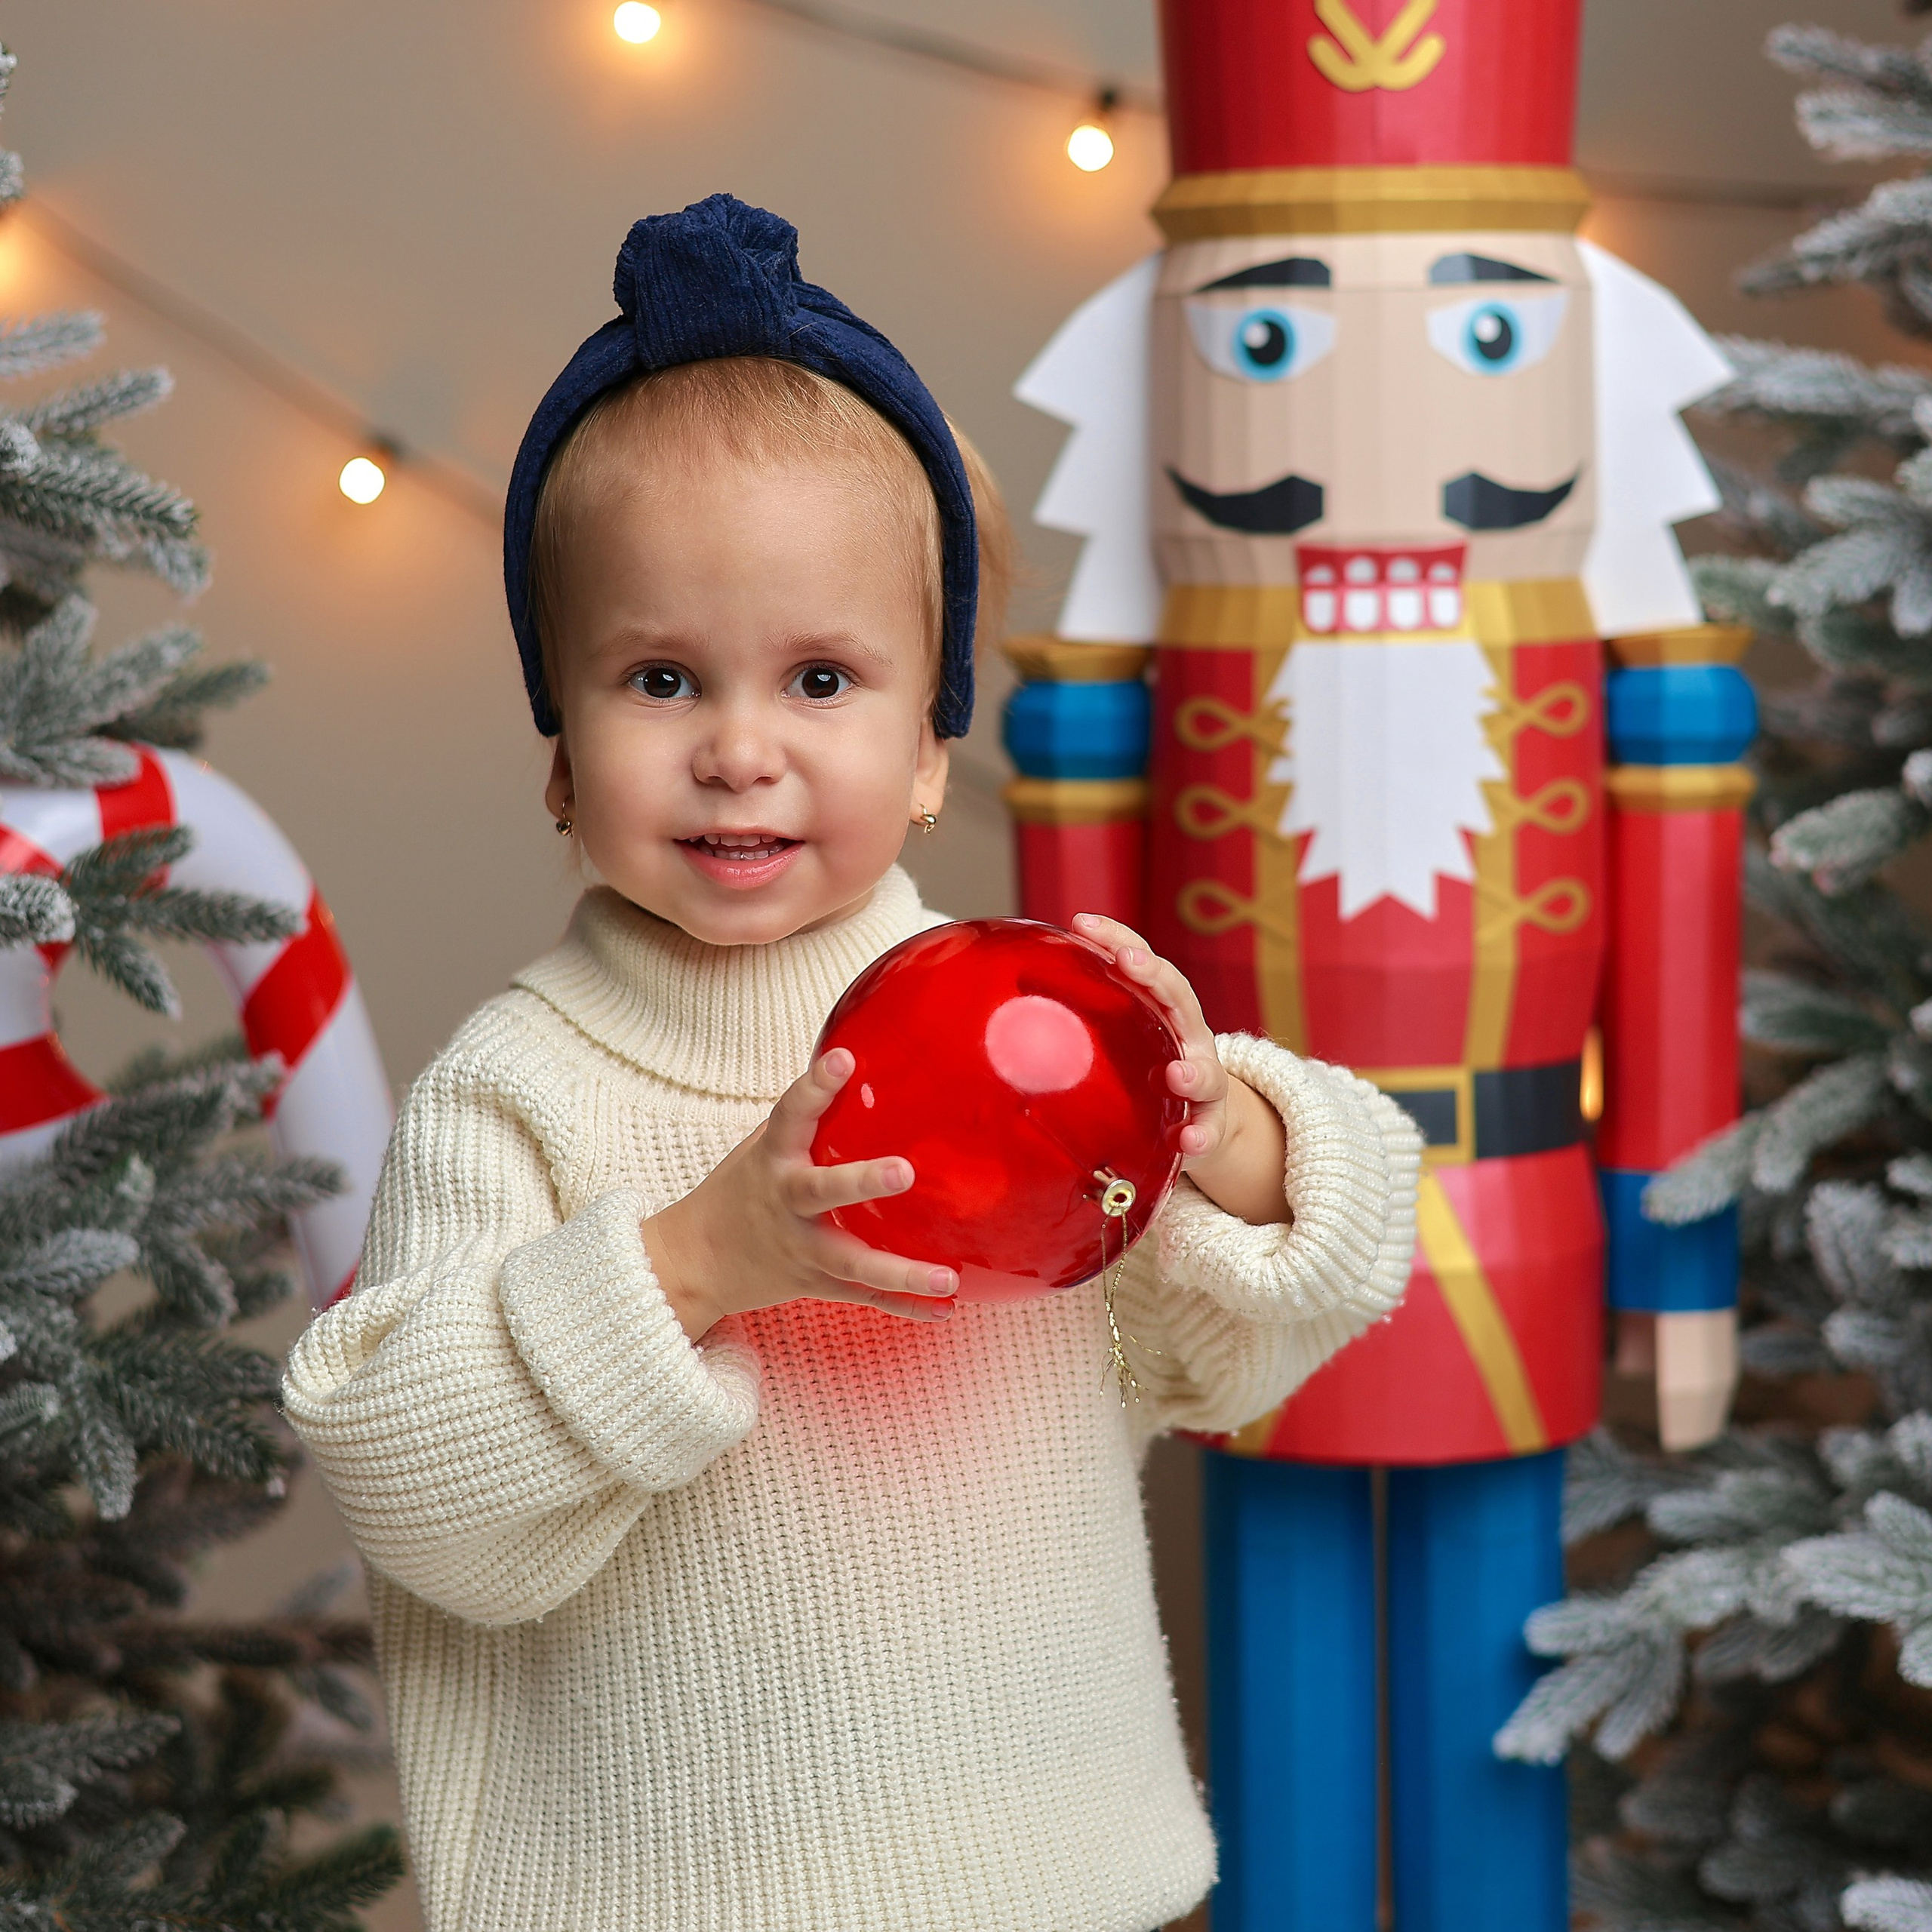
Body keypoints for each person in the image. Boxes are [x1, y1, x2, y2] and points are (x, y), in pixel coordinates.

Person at [282, 194, 1420, 1932]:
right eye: (659, 678)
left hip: (1067, 1877)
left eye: (821, 677)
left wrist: (1228, 1129)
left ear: (928, 751)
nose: (739, 748)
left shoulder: (1042, 1046)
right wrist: (689, 1264)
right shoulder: (520, 1087)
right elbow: (414, 1493)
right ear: (560, 759)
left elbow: (1252, 1333)